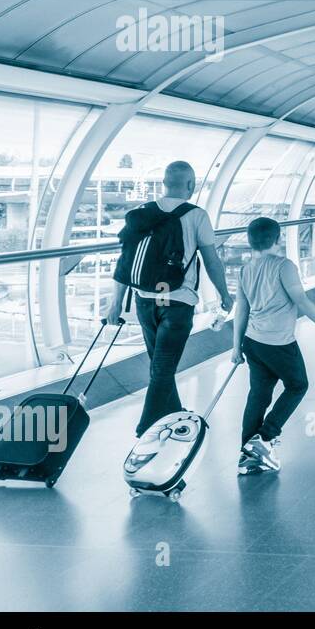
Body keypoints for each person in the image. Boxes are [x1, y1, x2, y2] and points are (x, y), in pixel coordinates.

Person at [107, 160, 233, 437]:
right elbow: (211, 260)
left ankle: (173, 412)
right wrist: (224, 294)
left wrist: (115, 303)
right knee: (163, 368)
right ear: (191, 185)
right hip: (176, 302)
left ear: (164, 184)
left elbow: (125, 261)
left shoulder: (141, 213)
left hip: (146, 301)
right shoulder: (197, 216)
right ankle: (146, 428)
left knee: (160, 366)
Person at [230, 217, 315, 474]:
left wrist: (236, 347)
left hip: (253, 342)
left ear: (250, 241)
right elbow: (301, 301)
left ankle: (247, 453)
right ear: (277, 238)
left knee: (258, 394)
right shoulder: (285, 266)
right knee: (298, 384)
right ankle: (265, 436)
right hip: (278, 342)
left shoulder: (246, 269)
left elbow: (241, 311)